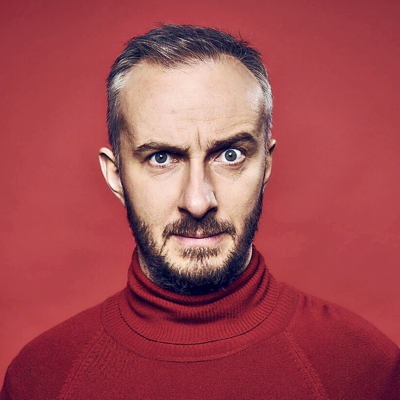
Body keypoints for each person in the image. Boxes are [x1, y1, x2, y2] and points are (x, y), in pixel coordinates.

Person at [1, 24, 399, 400]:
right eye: (161, 157)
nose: (197, 201)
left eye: (230, 155)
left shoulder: (364, 367)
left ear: (266, 165)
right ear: (116, 174)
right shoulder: (43, 377)